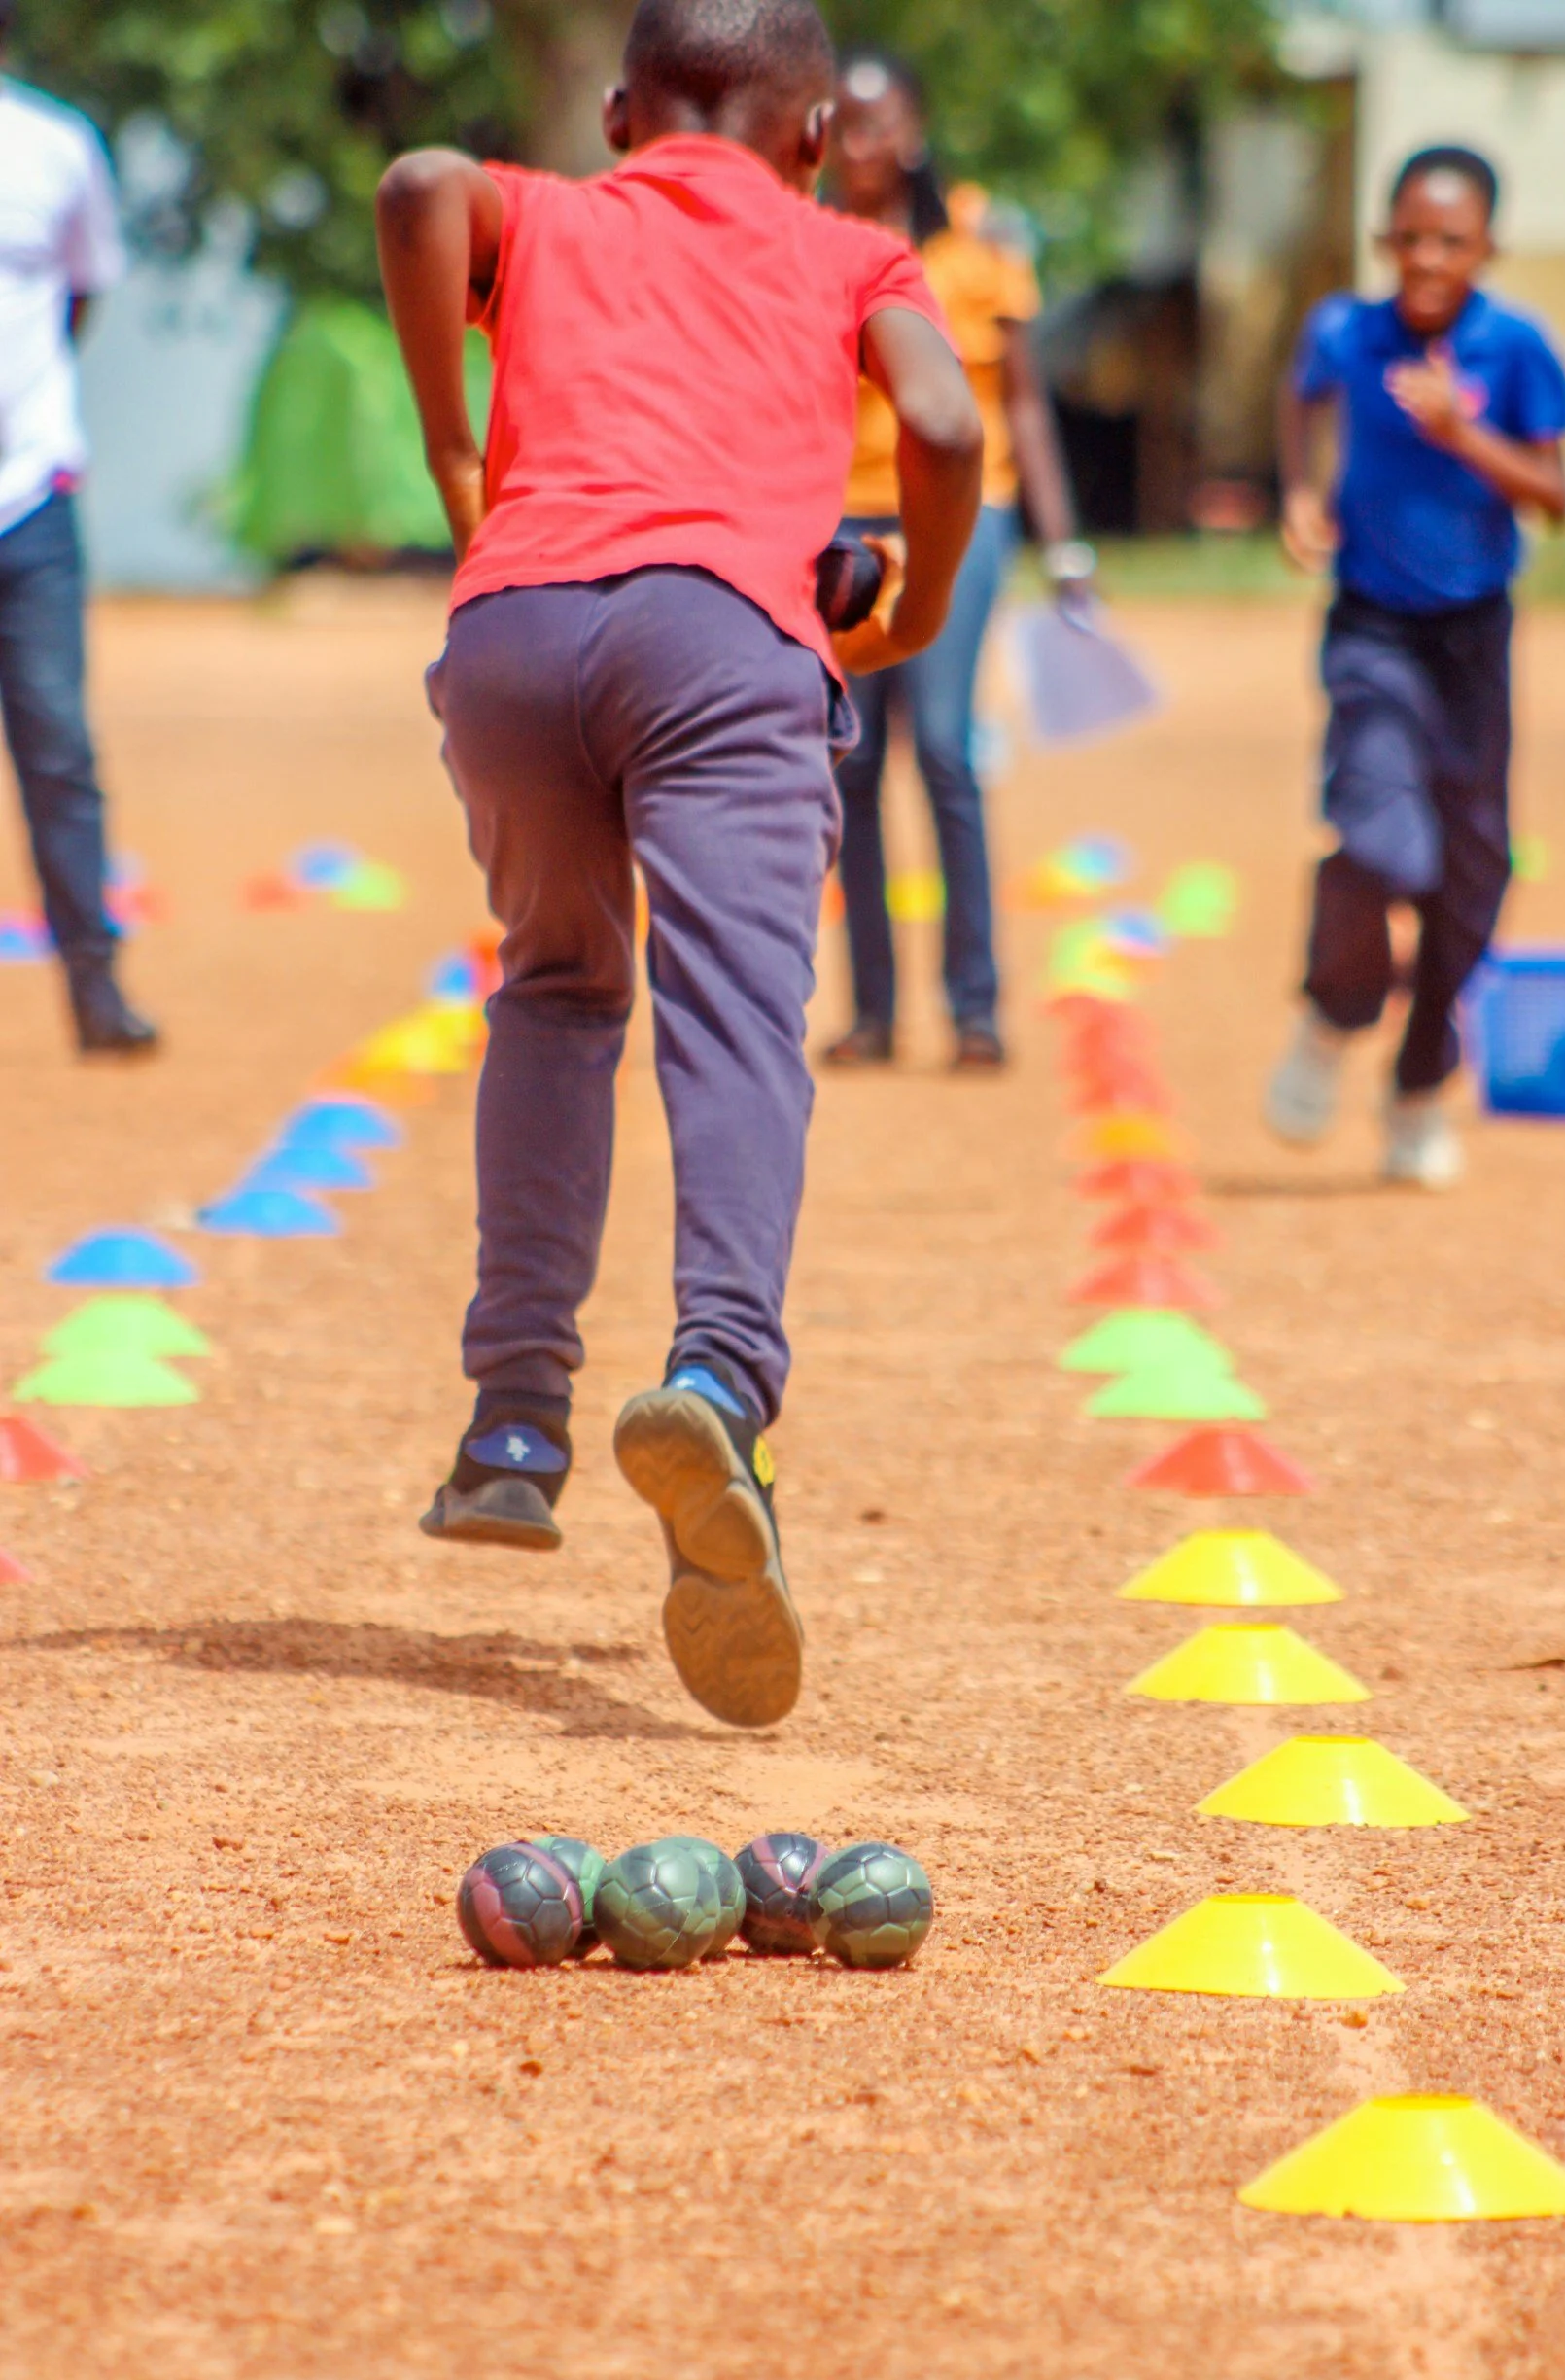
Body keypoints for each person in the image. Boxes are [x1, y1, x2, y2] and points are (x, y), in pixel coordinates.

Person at [376, 0, 981, 1729]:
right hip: (721, 643)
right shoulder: (852, 249)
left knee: (558, 991)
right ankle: (717, 1373)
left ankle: (509, 1424)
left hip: (513, 634)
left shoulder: (555, 213)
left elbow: (420, 182)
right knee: (735, 1025)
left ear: (626, 110)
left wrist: (448, 442)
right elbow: (938, 434)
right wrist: (910, 615)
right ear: (810, 132)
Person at [1266, 144, 1565, 1186]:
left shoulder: (1515, 347)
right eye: (1407, 237)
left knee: (1467, 880)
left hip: (1471, 638)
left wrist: (1459, 434)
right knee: (1378, 839)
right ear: (1380, 239)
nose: (1425, 257)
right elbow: (1299, 398)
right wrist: (1302, 494)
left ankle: (1416, 1086)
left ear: (1486, 246)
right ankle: (1332, 1008)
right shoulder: (1344, 332)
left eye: (1449, 240)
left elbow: (1555, 496)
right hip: (1370, 627)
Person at [820, 53, 1091, 1071]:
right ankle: (873, 1013)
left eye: (878, 124)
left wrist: (1064, 543)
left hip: (964, 511)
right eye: (842, 125)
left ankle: (972, 1008)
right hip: (839, 516)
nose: (860, 146)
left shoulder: (977, 245)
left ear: (914, 129)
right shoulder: (806, 244)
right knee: (847, 759)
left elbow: (1021, 400)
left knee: (940, 742)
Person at [0, 10, 158, 1054]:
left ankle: (96, 989)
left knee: (57, 745)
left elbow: (81, 292)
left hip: (28, 492)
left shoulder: (57, 145)